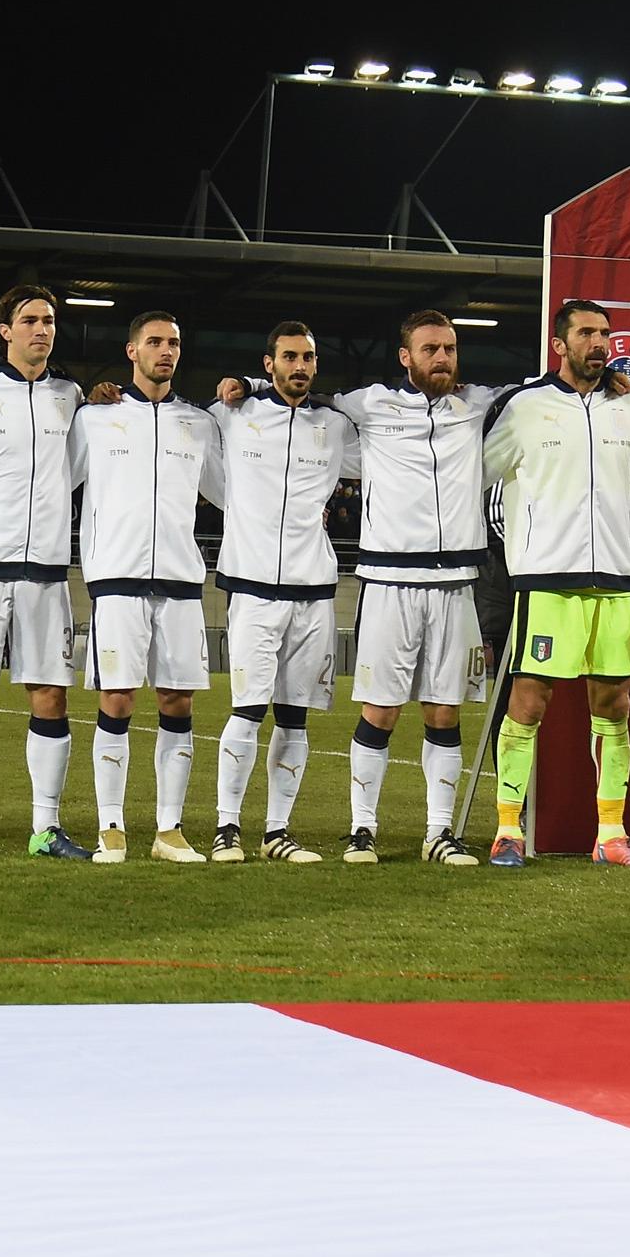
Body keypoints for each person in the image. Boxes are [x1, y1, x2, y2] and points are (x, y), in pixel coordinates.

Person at [229, 310, 502, 865]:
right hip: (388, 581)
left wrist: (611, 378)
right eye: (430, 349)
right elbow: (307, 394)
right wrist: (253, 384)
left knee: (444, 712)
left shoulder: (476, 406)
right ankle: (362, 831)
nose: (442, 358)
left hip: (456, 584)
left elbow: (539, 392)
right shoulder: (369, 404)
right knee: (380, 710)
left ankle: (438, 834)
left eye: (449, 348)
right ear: (407, 357)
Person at [480, 300, 630, 869]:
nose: (599, 342)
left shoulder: (627, 410)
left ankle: (611, 835)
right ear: (559, 344)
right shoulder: (524, 407)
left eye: (605, 333)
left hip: (615, 583)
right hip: (545, 582)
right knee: (528, 702)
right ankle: (508, 831)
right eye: (586, 332)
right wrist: (513, 551)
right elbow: (481, 478)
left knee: (615, 706)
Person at [0, 284, 94, 861]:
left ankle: (46, 829)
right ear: (4, 331)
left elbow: (77, 468)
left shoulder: (71, 396)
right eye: (29, 320)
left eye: (49, 321)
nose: (42, 330)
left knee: (50, 696)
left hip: (48, 569)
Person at [76, 312, 225, 862]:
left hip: (182, 580)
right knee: (117, 698)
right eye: (155, 342)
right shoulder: (97, 417)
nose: (166, 351)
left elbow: (233, 492)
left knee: (177, 701)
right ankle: (110, 828)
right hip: (116, 576)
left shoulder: (198, 423)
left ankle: (169, 831)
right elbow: (48, 476)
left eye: (174, 343)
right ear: (132, 350)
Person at [206, 321, 356, 863]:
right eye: (289, 357)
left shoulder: (336, 425)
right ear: (269, 363)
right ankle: (226, 827)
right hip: (252, 587)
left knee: (295, 715)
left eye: (308, 358)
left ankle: (276, 831)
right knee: (247, 709)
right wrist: (239, 384)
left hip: (316, 590)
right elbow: (190, 436)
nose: (300, 366)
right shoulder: (234, 412)